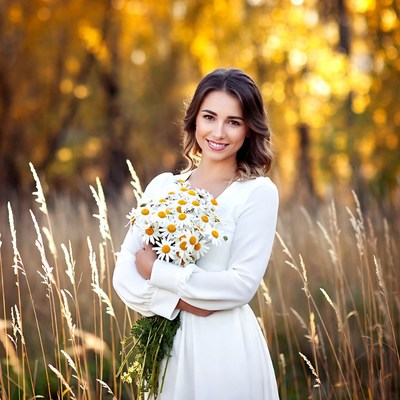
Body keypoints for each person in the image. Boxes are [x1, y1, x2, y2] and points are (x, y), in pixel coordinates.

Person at [113, 68, 280, 400]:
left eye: (234, 121)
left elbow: (240, 286)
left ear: (249, 130)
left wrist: (157, 272)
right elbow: (123, 277)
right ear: (194, 121)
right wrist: (179, 302)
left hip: (225, 349)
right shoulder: (163, 187)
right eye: (209, 117)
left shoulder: (257, 192)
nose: (218, 131)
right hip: (168, 352)